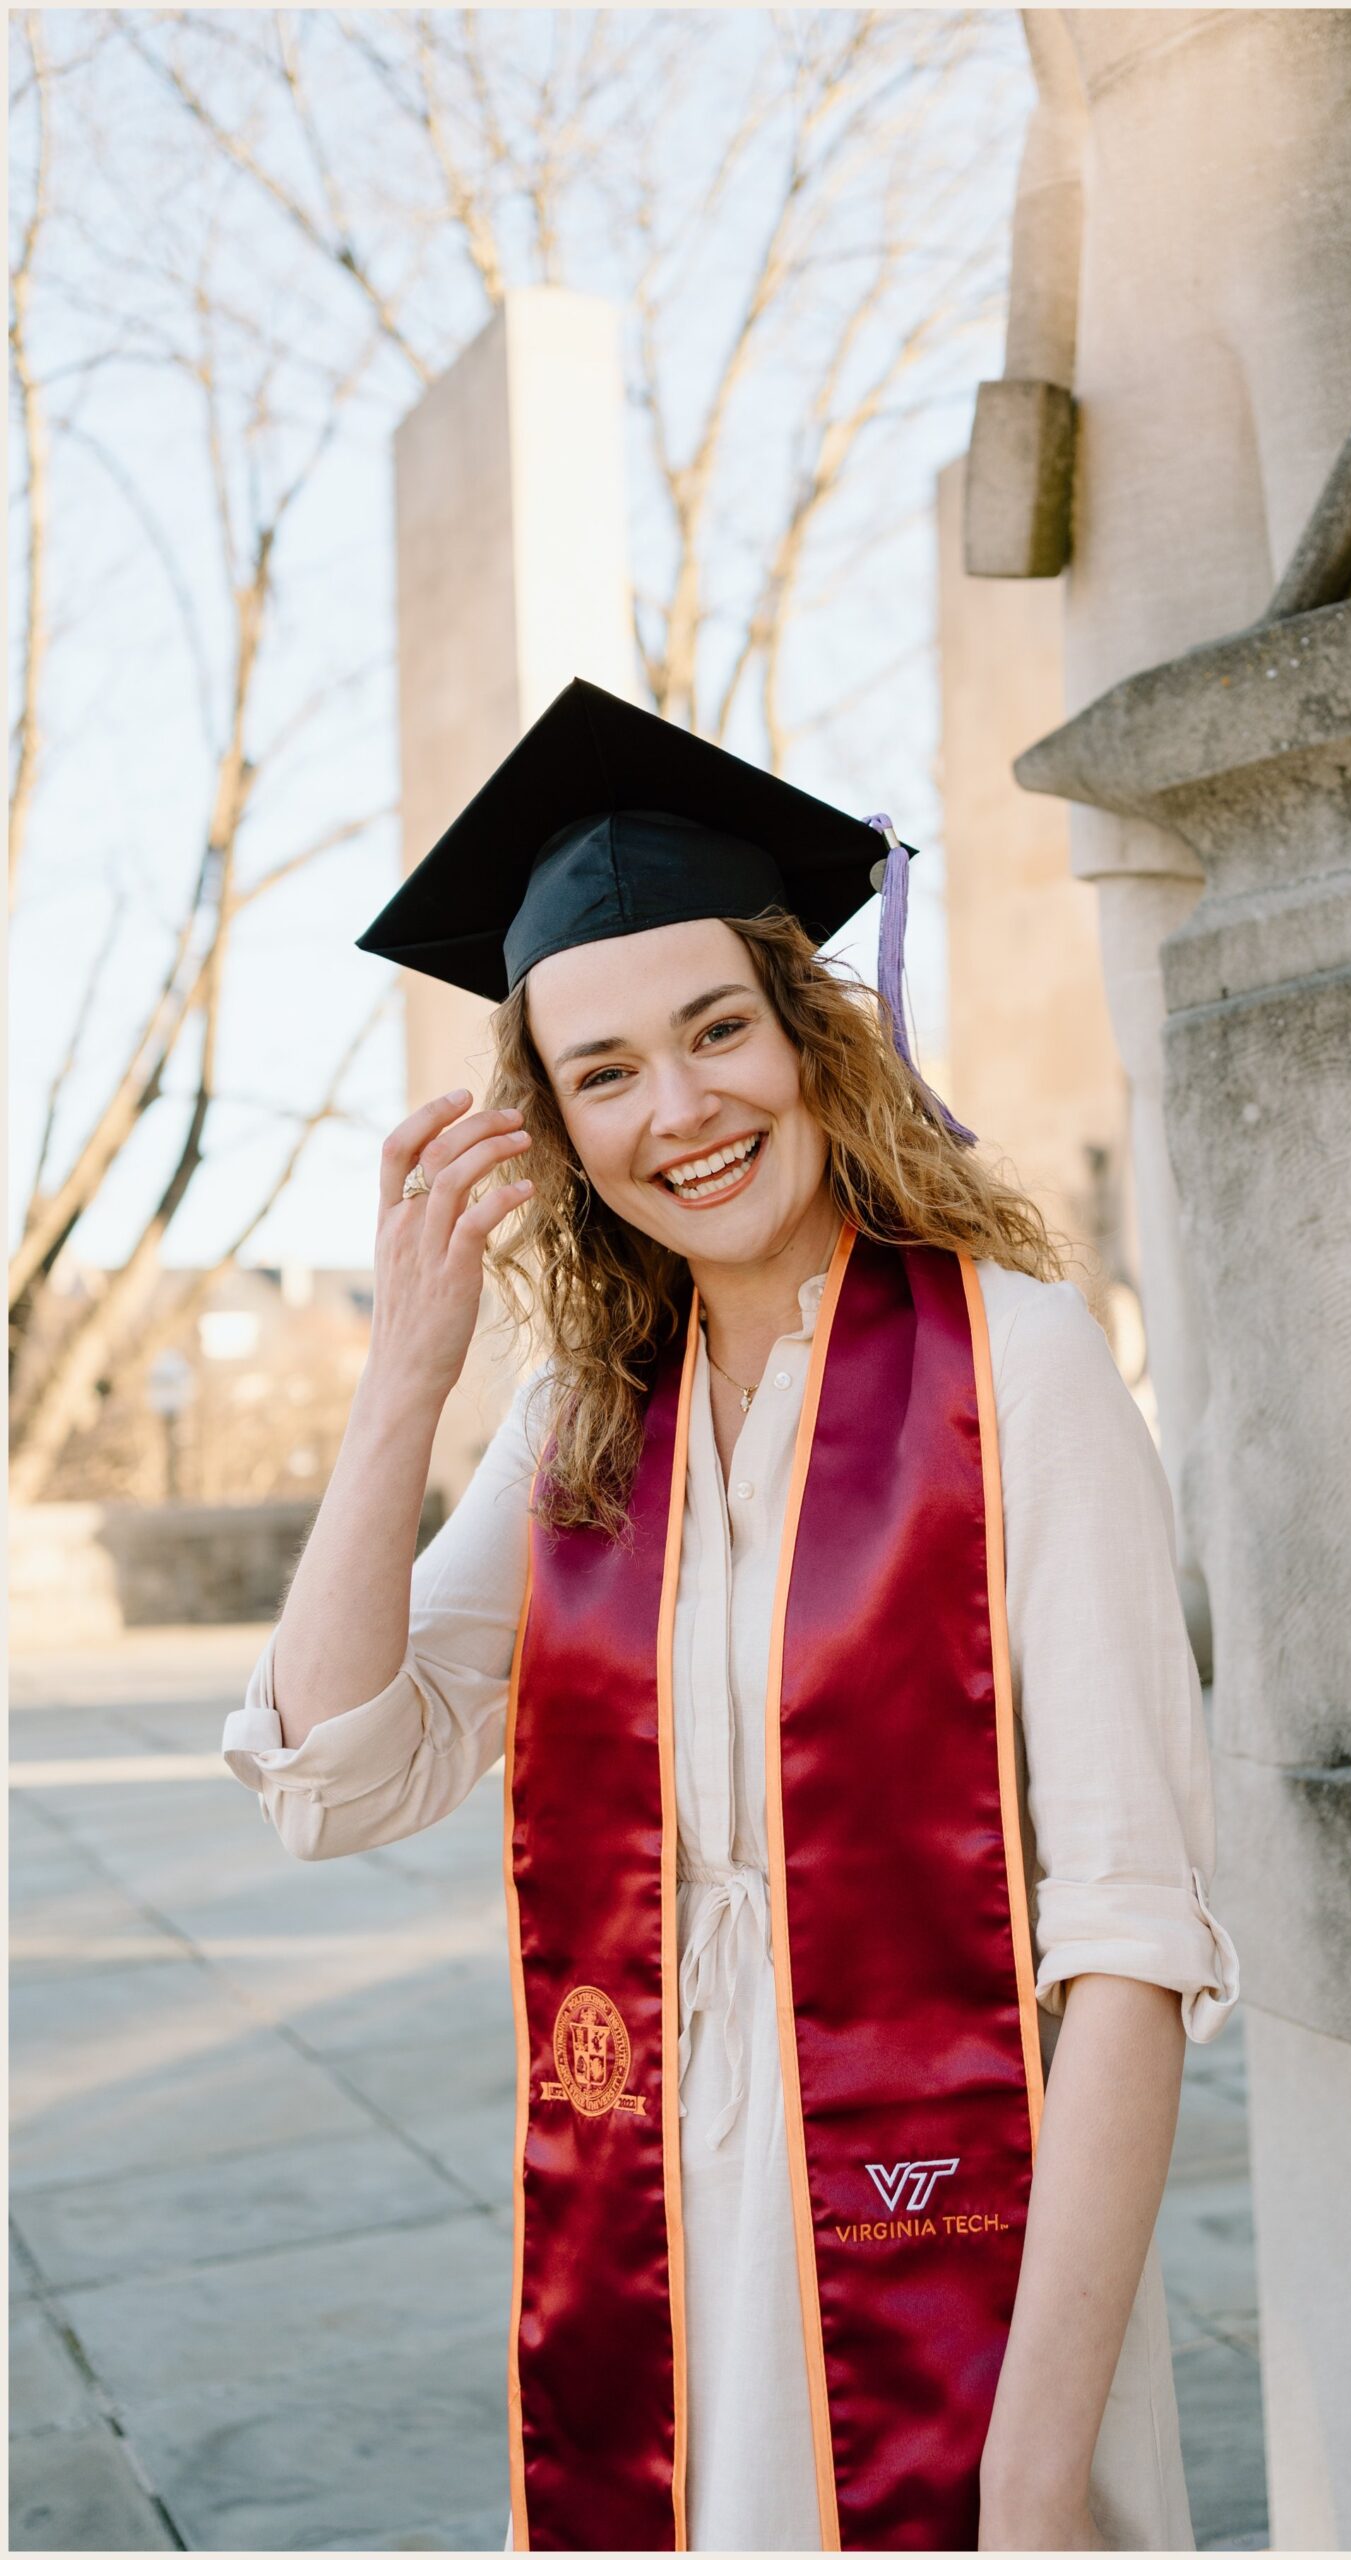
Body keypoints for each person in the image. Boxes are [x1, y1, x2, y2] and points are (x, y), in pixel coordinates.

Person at [222, 680, 1238, 2554]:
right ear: (555, 1125)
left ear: (808, 1036)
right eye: (605, 1071)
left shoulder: (1010, 1364)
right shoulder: (583, 1417)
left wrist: (1029, 2478)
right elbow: (338, 1774)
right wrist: (406, 1384)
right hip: (651, 2233)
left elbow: (1128, 1940)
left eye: (717, 1032)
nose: (679, 1109)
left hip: (955, 2273)